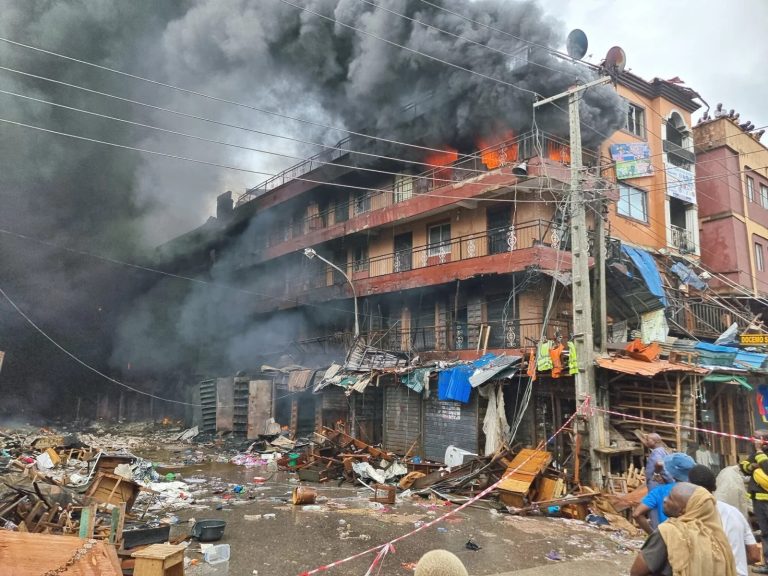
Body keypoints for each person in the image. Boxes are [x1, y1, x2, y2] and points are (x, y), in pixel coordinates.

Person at [630, 482, 736, 576]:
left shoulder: (669, 532)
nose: (665, 499)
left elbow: (636, 572)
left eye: (671, 498)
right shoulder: (718, 538)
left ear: (683, 511)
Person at [688, 464, 759, 576]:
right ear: (714, 486)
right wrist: (736, 564)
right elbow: (755, 555)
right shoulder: (735, 513)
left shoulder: (688, 516)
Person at [634, 453, 695, 534]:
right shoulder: (696, 491)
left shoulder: (659, 491)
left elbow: (636, 514)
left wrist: (652, 534)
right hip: (690, 539)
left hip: (666, 537)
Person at [739, 429, 768, 573]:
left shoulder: (761, 453)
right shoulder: (756, 454)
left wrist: (760, 455)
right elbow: (743, 467)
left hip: (765, 500)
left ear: (763, 439)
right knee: (765, 532)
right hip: (759, 500)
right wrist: (753, 466)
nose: (752, 440)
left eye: (756, 438)